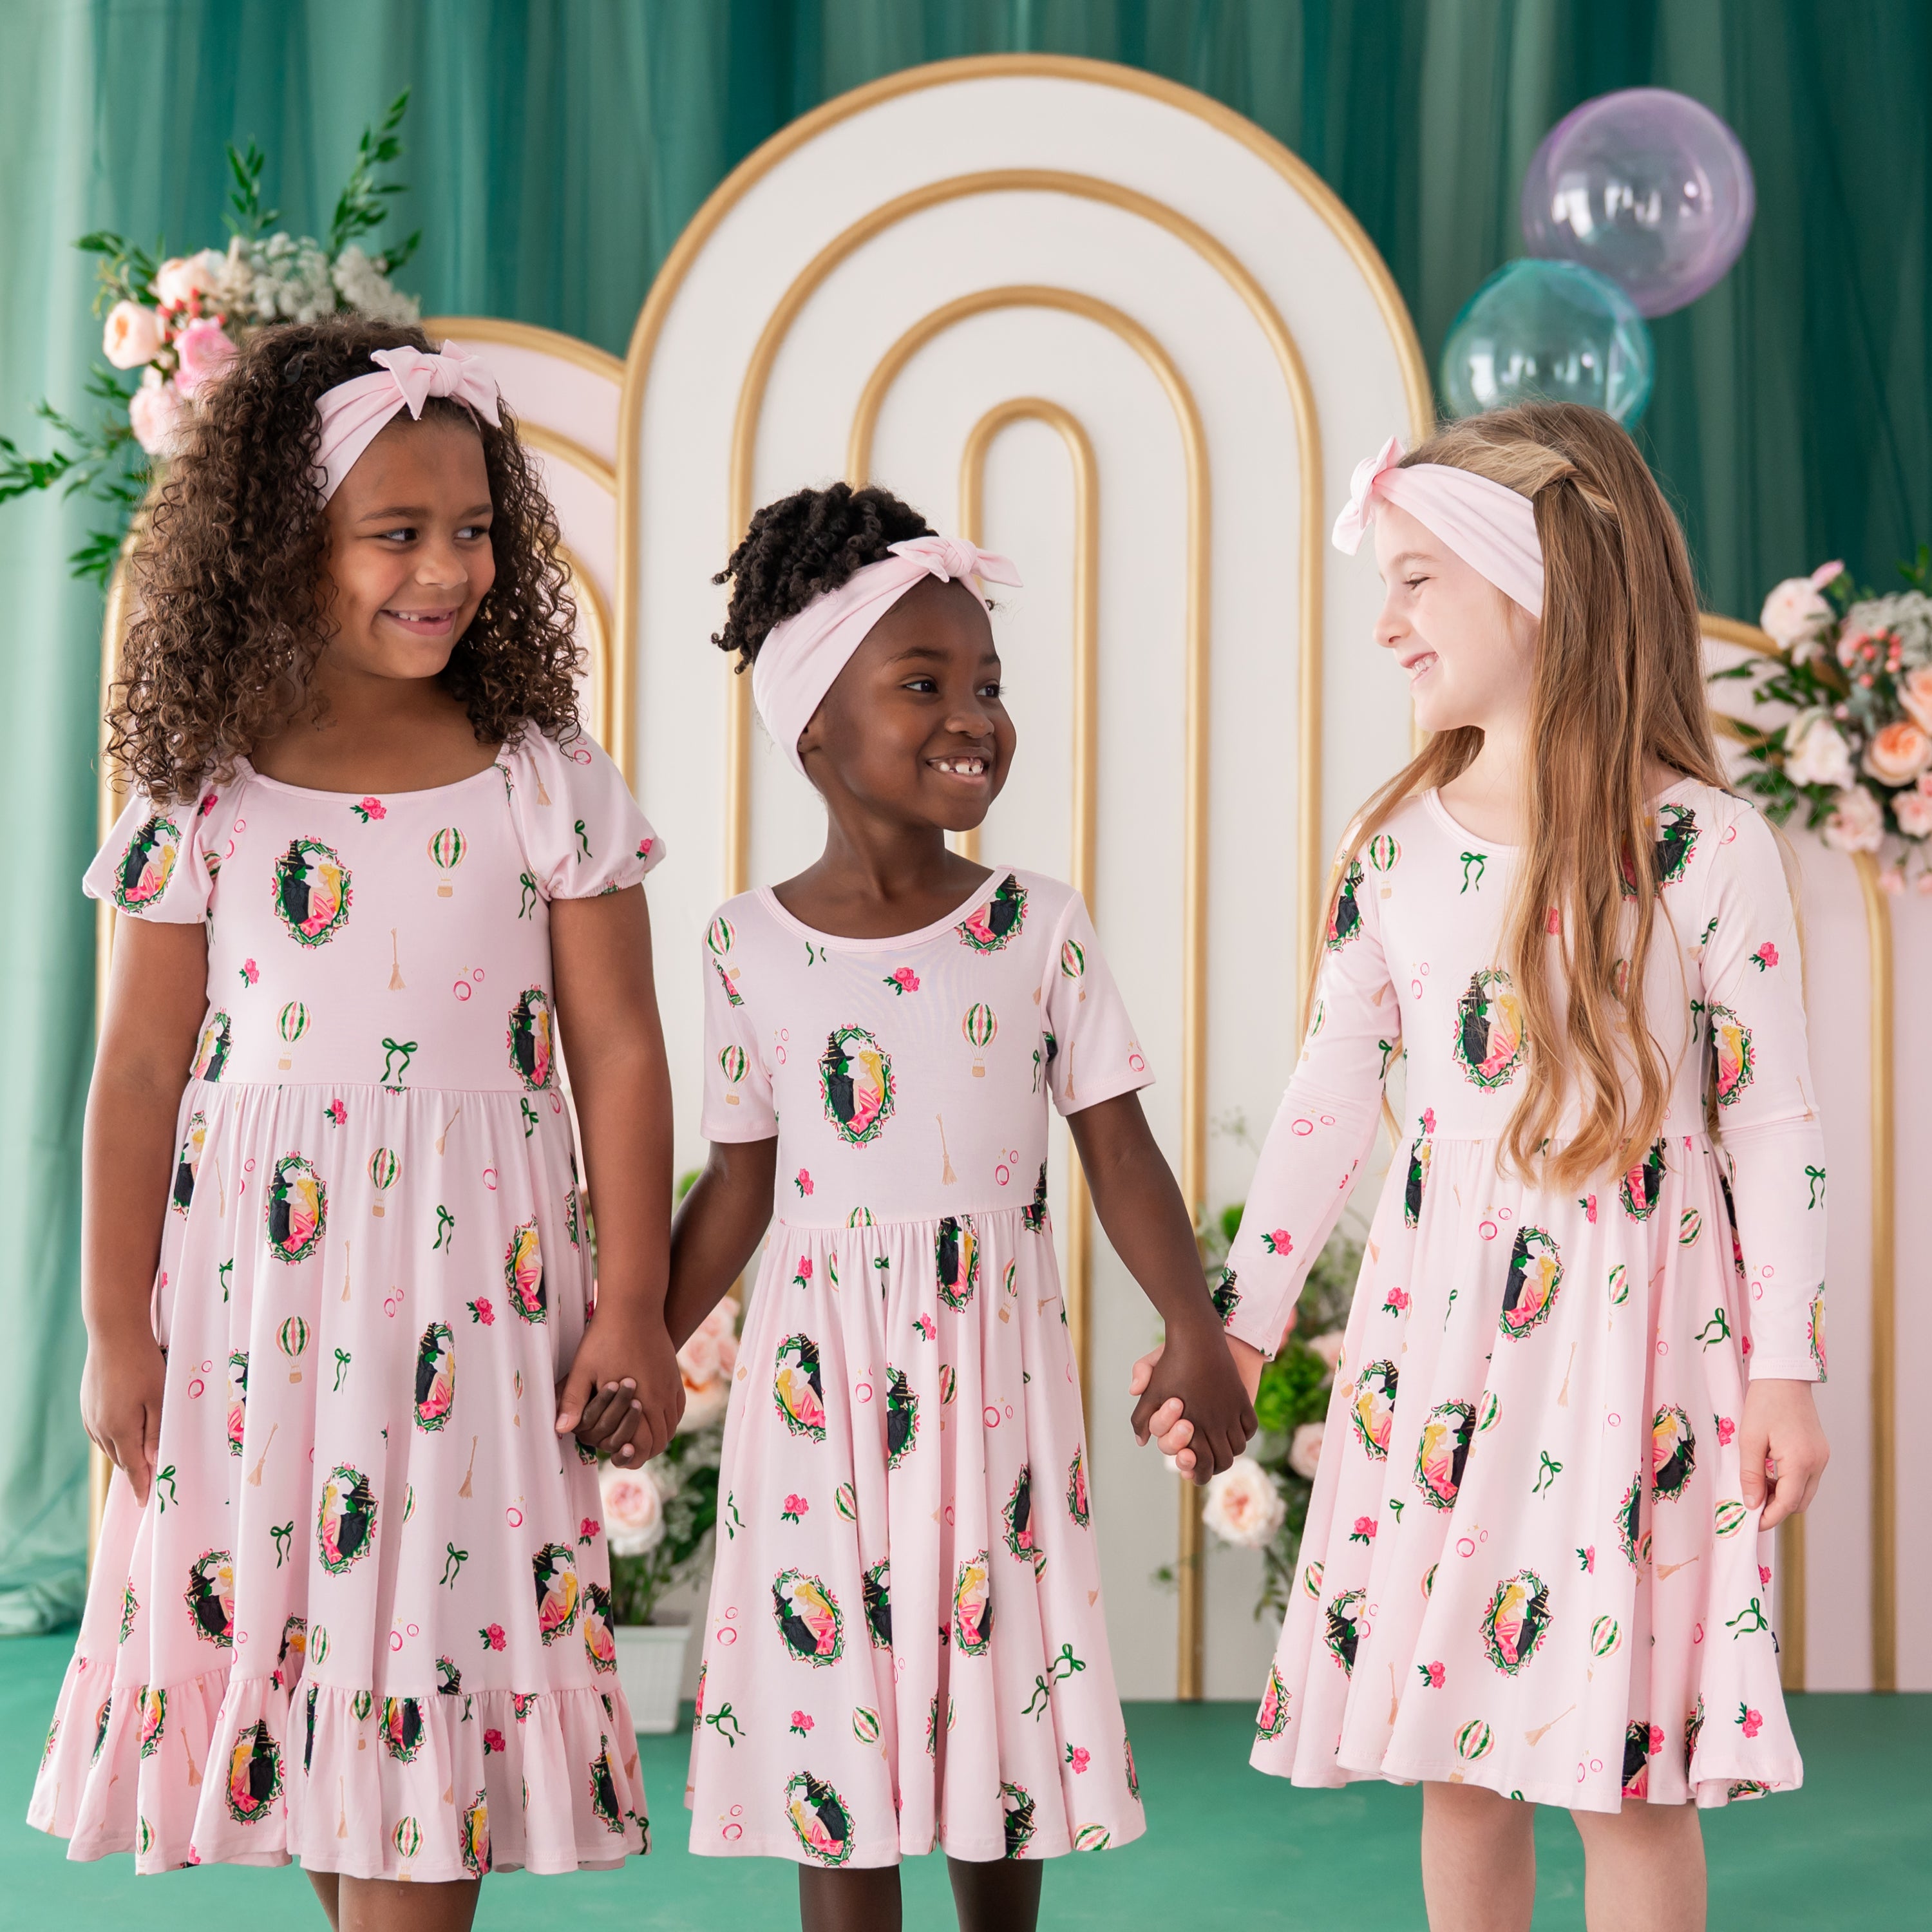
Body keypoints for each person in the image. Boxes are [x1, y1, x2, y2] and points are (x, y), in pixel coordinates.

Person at [1135, 403, 1829, 1932]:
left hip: (1638, 1354)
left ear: (1542, 589)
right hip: (1443, 1344)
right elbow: (1327, 1097)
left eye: (1416, 580)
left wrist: (1784, 1369)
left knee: (1618, 1767)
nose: (1382, 623)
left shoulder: (1705, 847)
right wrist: (1233, 1323)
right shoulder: (1391, 850)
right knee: (1458, 1752)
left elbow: (1770, 1118)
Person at [30, 319, 681, 1932]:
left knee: (432, 1676)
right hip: (262, 1310)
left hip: (481, 1292)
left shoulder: (544, 774)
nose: (445, 569)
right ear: (285, 543)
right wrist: (119, 1329)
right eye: (398, 533)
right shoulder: (204, 785)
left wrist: (642, 1307)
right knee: (322, 1681)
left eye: (474, 530)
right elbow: (135, 1074)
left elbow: (621, 1049)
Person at [575, 482, 1253, 1931]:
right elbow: (741, 1184)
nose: (975, 717)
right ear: (815, 723)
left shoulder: (1037, 924)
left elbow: (1118, 1151)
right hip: (815, 1386)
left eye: (990, 685)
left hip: (989, 1386)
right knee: (841, 1723)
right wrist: (638, 1334)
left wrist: (1193, 1325)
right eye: (926, 684)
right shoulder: (744, 945)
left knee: (995, 1700)